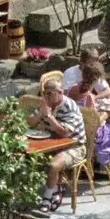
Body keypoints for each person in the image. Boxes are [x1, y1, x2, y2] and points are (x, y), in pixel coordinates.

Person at [67, 59, 110, 186]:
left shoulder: (72, 89)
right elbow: (95, 122)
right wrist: (106, 114)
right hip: (89, 136)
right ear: (97, 79)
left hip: (75, 130)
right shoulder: (88, 96)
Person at [36, 78, 86, 210]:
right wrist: (40, 114)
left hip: (74, 146)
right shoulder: (45, 103)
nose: (46, 96)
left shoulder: (70, 106)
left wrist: (50, 117)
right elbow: (30, 121)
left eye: (50, 93)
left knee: (52, 166)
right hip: (51, 144)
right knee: (26, 157)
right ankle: (56, 187)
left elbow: (65, 133)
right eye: (44, 93)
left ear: (60, 92)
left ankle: (47, 197)